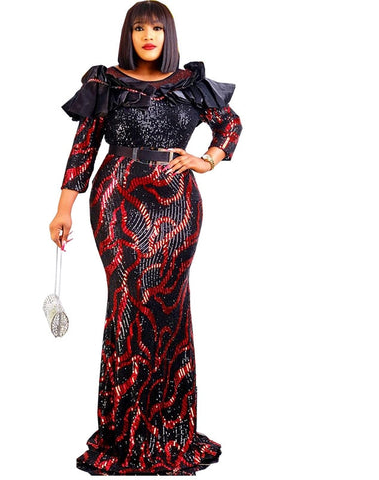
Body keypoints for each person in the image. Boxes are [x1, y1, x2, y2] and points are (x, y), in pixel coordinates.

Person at [49, 0, 242, 475]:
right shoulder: (108, 82)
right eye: (139, 28)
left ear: (168, 35)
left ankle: (170, 430)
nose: (148, 36)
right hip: (116, 196)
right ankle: (124, 432)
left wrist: (207, 160)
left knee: (169, 306)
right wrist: (63, 208)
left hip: (177, 202)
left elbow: (230, 124)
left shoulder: (190, 84)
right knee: (127, 303)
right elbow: (84, 148)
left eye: (156, 28)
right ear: (129, 35)